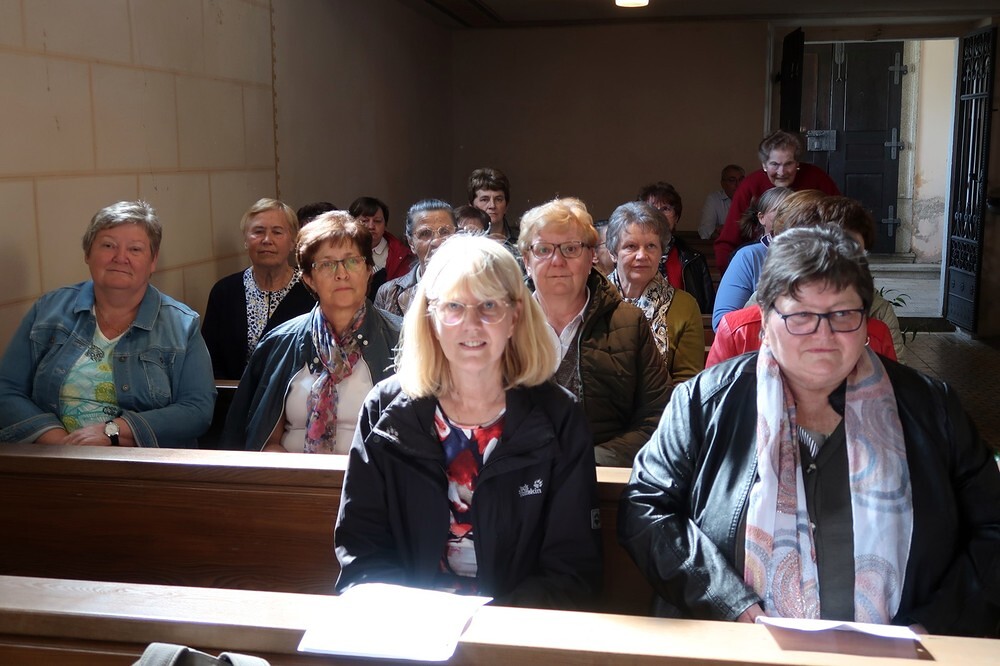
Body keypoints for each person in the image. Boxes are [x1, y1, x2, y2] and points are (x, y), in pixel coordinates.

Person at [619, 224, 1000, 636]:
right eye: (800, 315)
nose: (824, 334)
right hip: (738, 646)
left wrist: (937, 623)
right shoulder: (704, 402)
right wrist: (727, 602)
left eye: (843, 314)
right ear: (765, 319)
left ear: (865, 319)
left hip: (903, 654)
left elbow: (992, 526)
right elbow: (646, 507)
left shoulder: (931, 409)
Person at [335, 234, 601, 609]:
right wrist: (414, 621)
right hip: (407, 623)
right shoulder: (385, 410)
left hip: (514, 628)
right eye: (454, 307)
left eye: (489, 305)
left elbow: (570, 569)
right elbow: (362, 549)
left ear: (515, 316)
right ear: (431, 318)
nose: (471, 324)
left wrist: (487, 625)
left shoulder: (559, 417)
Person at [0, 200, 215, 447]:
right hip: (52, 456)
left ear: (153, 261)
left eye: (135, 249)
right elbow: (6, 390)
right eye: (108, 245)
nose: (120, 257)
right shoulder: (47, 310)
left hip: (142, 463)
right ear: (87, 253)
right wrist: (60, 443)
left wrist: (112, 432)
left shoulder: (182, 324)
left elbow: (197, 409)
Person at [224, 211, 400, 453]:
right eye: (327, 264)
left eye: (352, 261)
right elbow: (262, 438)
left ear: (369, 269)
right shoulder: (279, 342)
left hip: (375, 474)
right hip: (290, 474)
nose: (341, 274)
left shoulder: (404, 339)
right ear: (308, 278)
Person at [519, 198, 671, 466]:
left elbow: (656, 418)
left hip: (601, 480)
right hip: (519, 479)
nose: (557, 261)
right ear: (527, 261)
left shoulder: (629, 324)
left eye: (570, 248)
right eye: (543, 249)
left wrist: (586, 463)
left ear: (591, 257)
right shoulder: (503, 326)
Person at [202, 198, 315, 380]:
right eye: (258, 232)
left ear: (293, 241)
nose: (267, 240)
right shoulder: (224, 292)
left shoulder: (312, 291)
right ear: (246, 240)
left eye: (277, 232)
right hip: (233, 394)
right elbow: (208, 360)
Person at [715, 130, 841, 272]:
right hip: (760, 265)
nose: (781, 172)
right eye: (774, 164)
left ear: (797, 163)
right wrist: (733, 276)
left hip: (814, 263)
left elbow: (842, 223)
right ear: (764, 165)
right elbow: (727, 243)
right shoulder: (750, 185)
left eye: (788, 164)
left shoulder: (817, 179)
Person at [606, 202, 704, 383]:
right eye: (631, 246)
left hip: (665, 401)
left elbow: (686, 383)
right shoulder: (593, 298)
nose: (642, 255)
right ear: (613, 253)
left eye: (651, 246)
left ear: (661, 253)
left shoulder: (685, 306)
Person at [711, 187, 795, 330]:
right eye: (780, 211)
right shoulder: (748, 256)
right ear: (761, 217)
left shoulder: (811, 255)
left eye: (793, 211)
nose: (787, 217)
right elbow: (722, 324)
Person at [638, 182, 715, 314]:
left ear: (676, 217)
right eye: (652, 209)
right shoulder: (630, 257)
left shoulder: (694, 259)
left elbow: (707, 310)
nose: (659, 215)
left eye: (665, 209)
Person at [374, 199, 456, 317]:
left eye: (444, 232)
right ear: (411, 243)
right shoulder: (389, 293)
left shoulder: (475, 286)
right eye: (425, 233)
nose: (436, 241)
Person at [348, 196, 415, 301]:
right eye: (364, 221)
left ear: (385, 225)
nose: (371, 226)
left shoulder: (402, 255)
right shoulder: (341, 251)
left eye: (377, 221)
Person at [468, 167, 516, 242]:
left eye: (498, 199)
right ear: (471, 206)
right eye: (484, 200)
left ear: (506, 206)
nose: (492, 206)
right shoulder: (463, 241)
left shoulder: (522, 239)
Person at [698, 164, 745, 240]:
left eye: (741, 180)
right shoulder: (714, 199)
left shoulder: (752, 198)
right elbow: (705, 229)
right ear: (723, 184)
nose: (737, 184)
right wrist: (720, 235)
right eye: (732, 180)